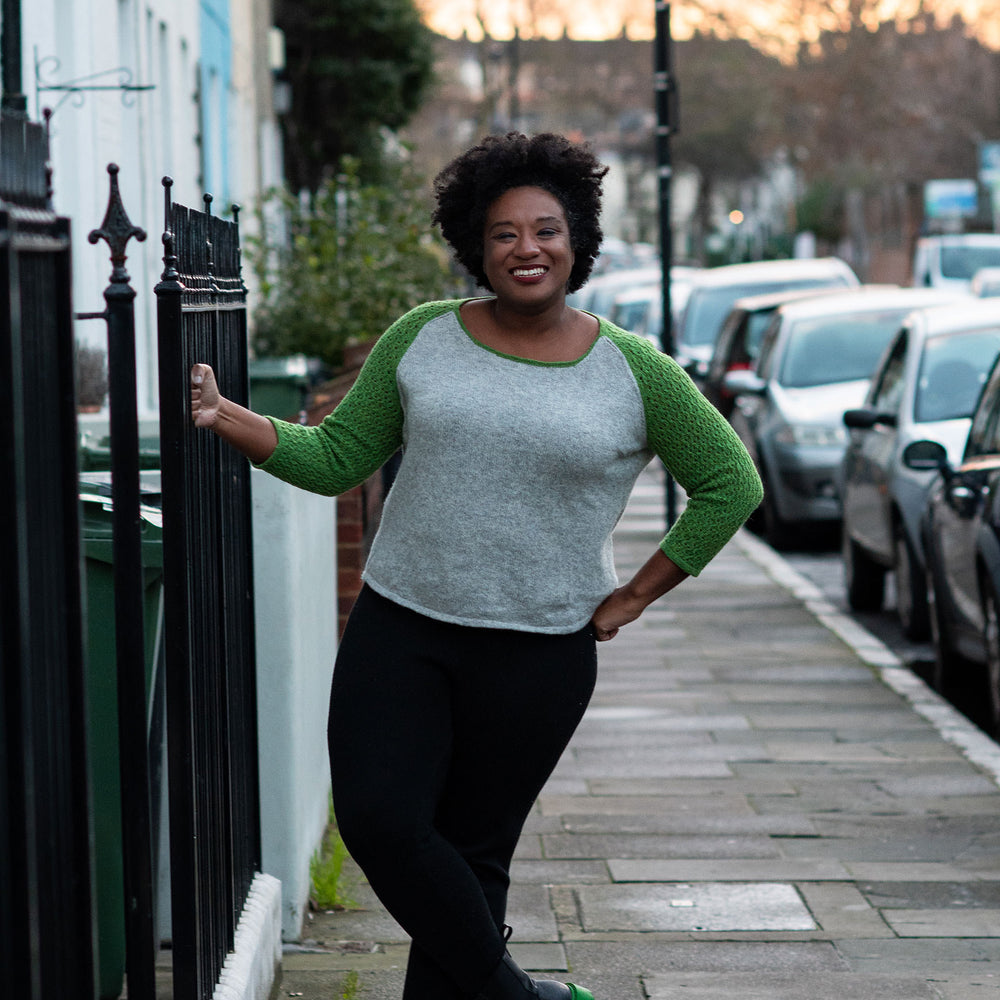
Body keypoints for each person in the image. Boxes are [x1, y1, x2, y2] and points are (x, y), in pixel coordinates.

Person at [190, 132, 763, 1000]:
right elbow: (338, 456)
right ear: (475, 246)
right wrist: (226, 414)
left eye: (545, 230)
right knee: (381, 823)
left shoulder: (634, 371)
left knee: (471, 857)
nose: (526, 249)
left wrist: (635, 596)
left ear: (576, 243)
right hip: (404, 627)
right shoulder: (424, 337)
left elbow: (731, 483)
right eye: (503, 233)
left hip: (538, 652)